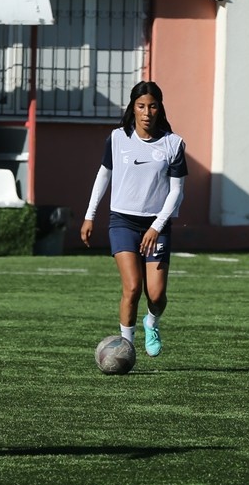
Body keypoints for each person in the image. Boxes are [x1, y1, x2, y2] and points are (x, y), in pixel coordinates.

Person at [80, 81, 187, 358]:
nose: (147, 112)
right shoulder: (117, 139)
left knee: (156, 295)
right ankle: (125, 348)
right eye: (141, 106)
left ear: (159, 108)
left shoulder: (173, 144)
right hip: (122, 222)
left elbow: (176, 192)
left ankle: (152, 321)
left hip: (157, 225)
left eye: (152, 106)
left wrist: (156, 226)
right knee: (132, 286)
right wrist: (89, 216)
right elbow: (102, 176)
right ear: (133, 108)